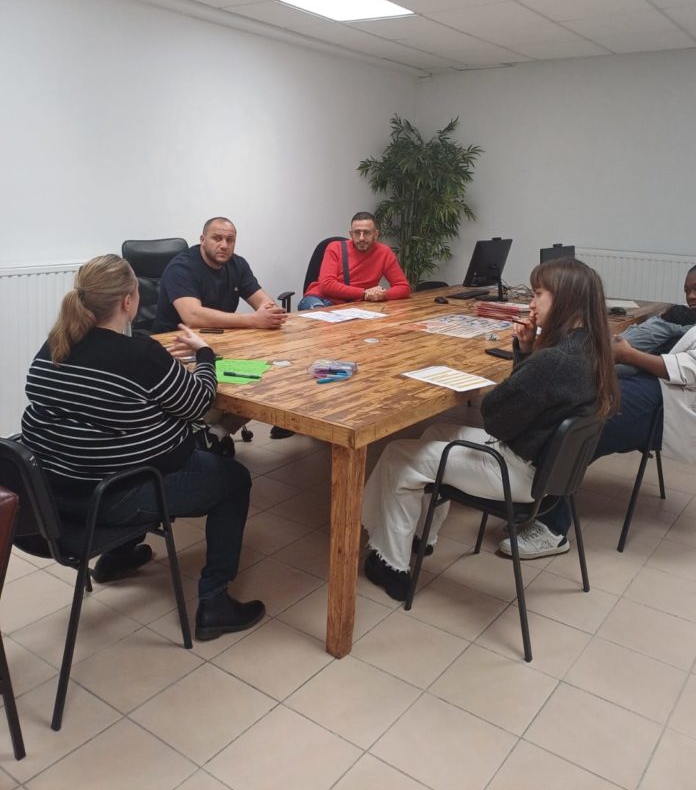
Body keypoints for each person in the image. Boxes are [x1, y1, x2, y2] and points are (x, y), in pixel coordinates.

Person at [21, 255, 265, 641]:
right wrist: (204, 354)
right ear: (128, 301)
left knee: (135, 453)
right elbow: (199, 402)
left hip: (50, 497)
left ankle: (118, 556)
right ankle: (215, 602)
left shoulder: (55, 344)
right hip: (109, 499)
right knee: (234, 480)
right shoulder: (140, 354)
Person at [361, 258, 618, 601]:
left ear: (565, 300)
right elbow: (529, 402)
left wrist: (528, 358)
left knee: (397, 456)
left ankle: (392, 566)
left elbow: (495, 415)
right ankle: (423, 538)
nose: (530, 303)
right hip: (544, 470)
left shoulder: (554, 361)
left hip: (516, 471)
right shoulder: (589, 348)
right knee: (436, 432)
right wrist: (526, 352)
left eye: (538, 294)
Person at [518, 259, 696, 558]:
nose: (691, 296)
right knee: (574, 402)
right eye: (687, 290)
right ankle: (533, 493)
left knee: (577, 426)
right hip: (659, 394)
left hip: (674, 411)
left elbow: (692, 371)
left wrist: (629, 355)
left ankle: (552, 528)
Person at [154, 216, 289, 443]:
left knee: (267, 375)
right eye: (217, 238)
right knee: (234, 383)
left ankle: (214, 434)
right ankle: (201, 429)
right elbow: (192, 316)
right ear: (202, 239)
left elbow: (265, 304)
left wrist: (269, 313)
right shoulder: (181, 267)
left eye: (230, 240)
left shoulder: (237, 265)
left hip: (222, 343)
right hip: (178, 347)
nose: (224, 245)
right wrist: (254, 320)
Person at [299, 212, 410, 310]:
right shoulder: (335, 248)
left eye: (366, 232)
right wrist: (364, 293)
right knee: (320, 318)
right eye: (357, 233)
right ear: (351, 234)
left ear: (376, 234)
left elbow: (403, 287)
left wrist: (382, 295)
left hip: (353, 305)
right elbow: (327, 285)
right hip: (321, 299)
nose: (361, 238)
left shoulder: (384, 252)